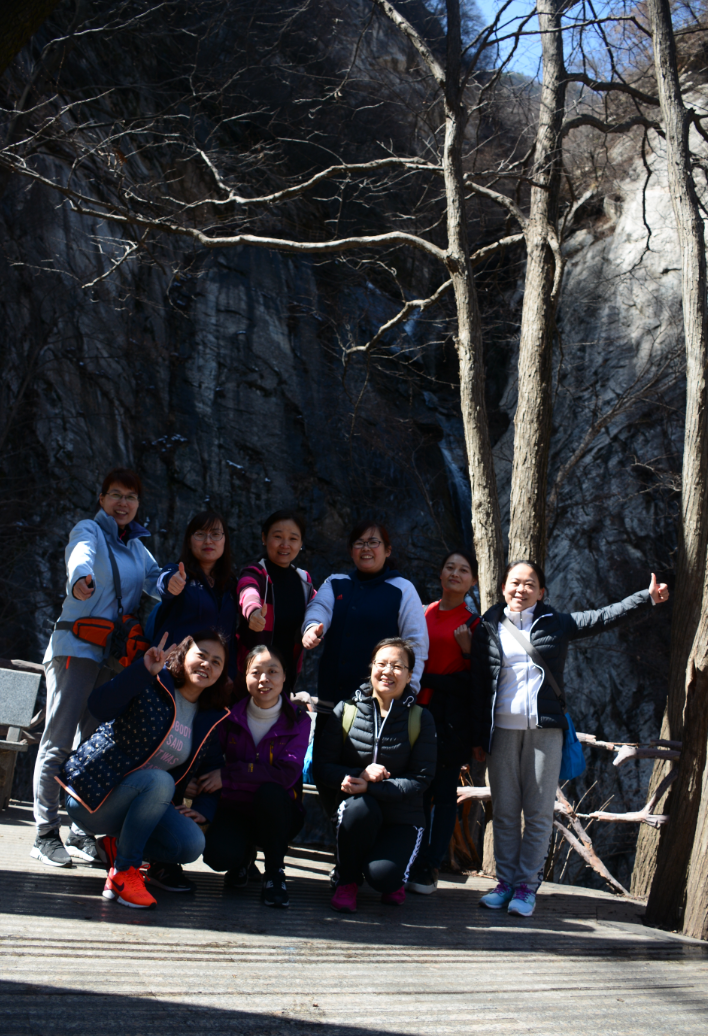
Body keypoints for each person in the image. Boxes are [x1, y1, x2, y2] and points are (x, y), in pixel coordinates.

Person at [469, 560, 670, 919]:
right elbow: (479, 685)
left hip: (545, 731)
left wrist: (646, 598)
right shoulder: (486, 626)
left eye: (530, 584)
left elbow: (603, 616)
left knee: (538, 812)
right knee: (503, 810)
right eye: (515, 583)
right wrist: (476, 734)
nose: (521, 589)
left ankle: (526, 888)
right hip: (500, 731)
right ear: (503, 588)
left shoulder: (556, 623)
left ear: (542, 592)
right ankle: (505, 884)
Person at [32, 467, 161, 868]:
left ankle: (81, 828)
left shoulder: (138, 548)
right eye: (116, 495)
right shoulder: (89, 529)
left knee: (94, 746)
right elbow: (80, 555)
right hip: (75, 649)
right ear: (102, 499)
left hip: (110, 657)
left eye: (131, 497)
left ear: (138, 505)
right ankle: (44, 832)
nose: (123, 503)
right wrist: (80, 580)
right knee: (59, 738)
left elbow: (156, 580)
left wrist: (174, 583)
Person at [57, 630, 231, 909]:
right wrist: (141, 672)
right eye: (201, 655)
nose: (207, 664)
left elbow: (212, 766)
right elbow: (98, 706)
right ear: (184, 655)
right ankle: (124, 871)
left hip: (144, 807)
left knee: (190, 843)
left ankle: (117, 847)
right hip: (95, 797)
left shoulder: (210, 715)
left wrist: (204, 808)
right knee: (161, 780)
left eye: (216, 661)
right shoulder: (154, 681)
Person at [314, 637, 436, 914]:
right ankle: (347, 880)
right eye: (381, 664)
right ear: (371, 668)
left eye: (397, 666)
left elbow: (422, 778)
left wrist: (370, 786)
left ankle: (385, 872)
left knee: (384, 878)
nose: (388, 671)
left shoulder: (420, 718)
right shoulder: (346, 711)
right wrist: (358, 775)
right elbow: (322, 766)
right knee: (359, 809)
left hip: (402, 818)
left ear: (409, 675)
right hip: (359, 810)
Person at [200, 644, 311, 908]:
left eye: (273, 671)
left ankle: (275, 873)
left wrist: (229, 776)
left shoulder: (298, 720)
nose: (264, 679)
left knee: (271, 792)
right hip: (235, 808)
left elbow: (286, 775)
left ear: (285, 677)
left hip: (279, 814)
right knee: (218, 856)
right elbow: (211, 761)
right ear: (244, 677)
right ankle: (242, 858)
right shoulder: (228, 716)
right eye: (256, 672)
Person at [407, 549, 479, 896]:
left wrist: (467, 652)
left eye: (463, 570)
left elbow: (478, 682)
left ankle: (431, 865)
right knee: (416, 791)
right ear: (440, 574)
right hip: (414, 714)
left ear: (473, 581)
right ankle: (410, 857)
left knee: (444, 793)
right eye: (449, 567)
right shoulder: (421, 614)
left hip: (449, 721)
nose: (455, 573)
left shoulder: (474, 625)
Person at [301, 520, 429, 705]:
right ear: (351, 550)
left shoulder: (403, 589)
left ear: (387, 550)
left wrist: (408, 691)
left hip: (380, 703)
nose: (366, 548)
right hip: (331, 698)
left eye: (373, 542)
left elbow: (416, 644)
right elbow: (320, 607)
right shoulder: (335, 582)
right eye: (359, 543)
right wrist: (312, 627)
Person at [152, 511, 238, 675]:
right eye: (200, 534)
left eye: (215, 534)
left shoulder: (231, 586)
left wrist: (230, 674)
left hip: (212, 677)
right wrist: (172, 582)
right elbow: (164, 581)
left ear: (225, 541)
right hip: (172, 673)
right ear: (189, 542)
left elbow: (231, 638)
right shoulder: (178, 572)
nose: (208, 540)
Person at [236, 510, 314, 686]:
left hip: (286, 674)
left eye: (293, 539)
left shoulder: (304, 580)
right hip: (253, 677)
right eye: (278, 536)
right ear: (264, 538)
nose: (285, 544)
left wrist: (315, 628)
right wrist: (253, 611)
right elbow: (247, 590)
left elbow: (318, 608)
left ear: (301, 543)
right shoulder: (255, 573)